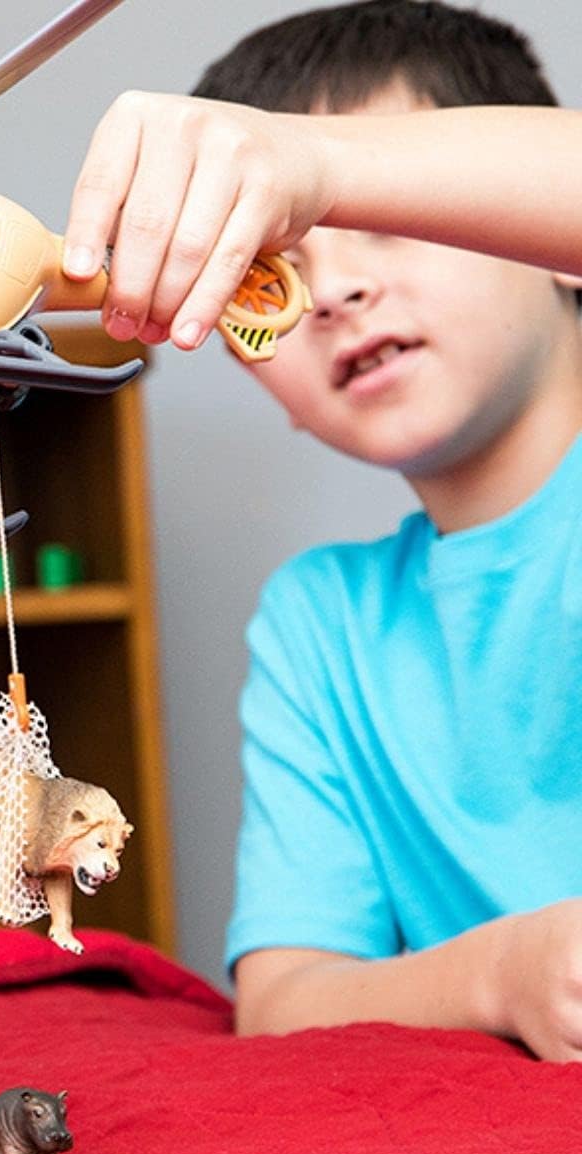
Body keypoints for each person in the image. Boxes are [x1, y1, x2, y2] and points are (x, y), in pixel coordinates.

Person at [61, 0, 582, 1062]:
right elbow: (284, 995)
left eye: (389, 219)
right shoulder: (322, 623)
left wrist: (314, 163)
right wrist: (505, 974)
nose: (334, 290)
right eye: (276, 274)